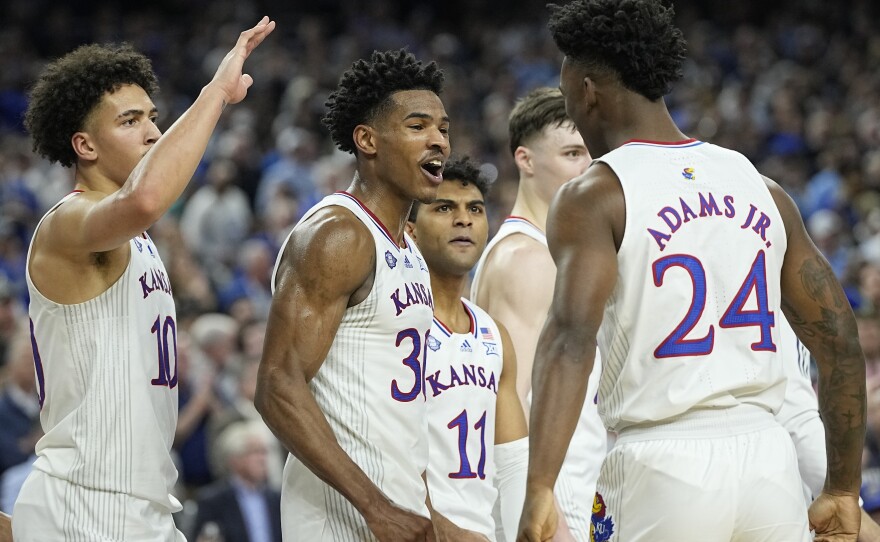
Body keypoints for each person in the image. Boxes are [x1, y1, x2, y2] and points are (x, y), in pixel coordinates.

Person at [518, 1, 866, 541]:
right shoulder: (759, 185)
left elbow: (569, 342)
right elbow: (839, 339)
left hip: (661, 464)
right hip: (768, 465)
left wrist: (540, 486)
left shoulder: (595, 194)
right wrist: (843, 488)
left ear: (587, 90)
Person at [12, 17, 275, 541]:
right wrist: (216, 94)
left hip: (141, 502)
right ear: (85, 146)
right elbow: (146, 198)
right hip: (90, 499)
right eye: (130, 120)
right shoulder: (68, 223)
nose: (154, 131)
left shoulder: (140, 241)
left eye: (152, 117)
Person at [255, 49, 468, 541]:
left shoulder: (408, 248)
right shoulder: (339, 235)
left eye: (443, 127)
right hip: (341, 518)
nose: (438, 140)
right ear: (368, 140)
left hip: (395, 513)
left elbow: (396, 418)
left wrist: (438, 522)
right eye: (418, 126)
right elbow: (277, 385)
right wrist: (376, 507)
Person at [470, 86, 602, 540]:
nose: (587, 167)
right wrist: (551, 518)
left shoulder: (543, 250)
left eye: (590, 153)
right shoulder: (527, 260)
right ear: (525, 160)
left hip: (572, 485)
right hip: (556, 496)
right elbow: (512, 406)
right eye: (571, 152)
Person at [406, 156, 528, 540]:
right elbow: (384, 456)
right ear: (408, 231)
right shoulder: (396, 325)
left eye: (475, 208)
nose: (465, 220)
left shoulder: (494, 334)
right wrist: (441, 530)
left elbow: (512, 464)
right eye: (445, 208)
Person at [190, 420, 282, 542]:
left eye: (264, 452)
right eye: (255, 452)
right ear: (235, 459)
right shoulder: (212, 502)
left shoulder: (277, 499)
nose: (263, 459)